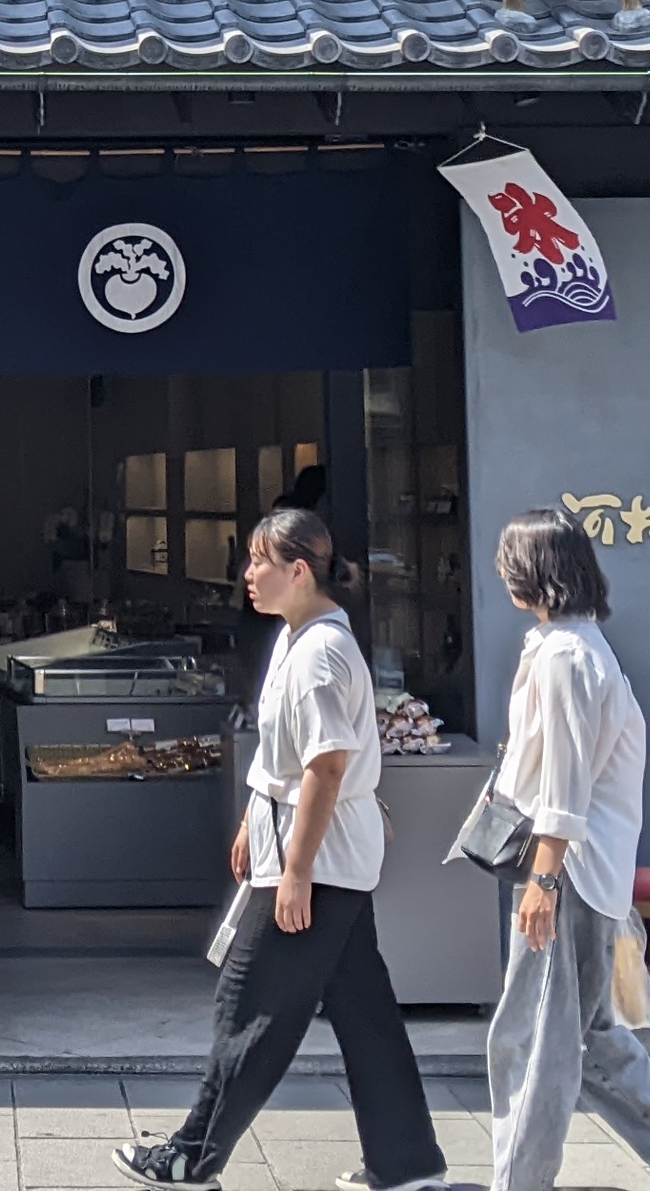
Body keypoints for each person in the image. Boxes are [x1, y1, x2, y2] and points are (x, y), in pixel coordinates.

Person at [114, 510, 444, 1191]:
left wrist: (296, 872)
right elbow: (287, 759)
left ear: (300, 571)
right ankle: (408, 1161)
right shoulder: (303, 637)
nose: (247, 576)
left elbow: (326, 767)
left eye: (259, 562)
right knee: (364, 1012)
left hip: (315, 860)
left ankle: (190, 1157)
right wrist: (250, 820)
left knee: (249, 1003)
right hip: (316, 852)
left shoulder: (320, 651)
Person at [482, 509, 650, 1191]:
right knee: (583, 1036)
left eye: (508, 560)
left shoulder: (568, 657)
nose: (499, 572)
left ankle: (521, 1182)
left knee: (533, 1043)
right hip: (576, 866)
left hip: (564, 870)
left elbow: (566, 783)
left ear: (534, 572)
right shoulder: (572, 647)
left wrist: (542, 882)